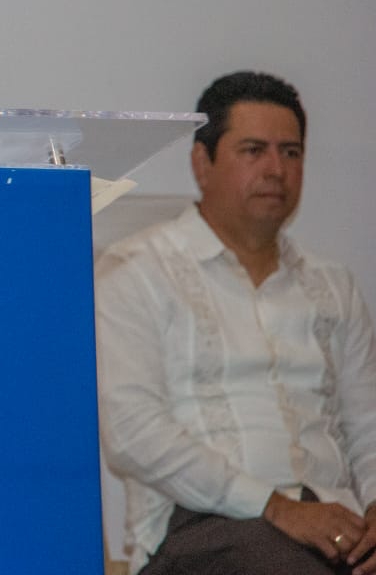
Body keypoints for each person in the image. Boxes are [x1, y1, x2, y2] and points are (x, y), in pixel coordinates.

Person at [97, 71, 376, 575]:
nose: (276, 169)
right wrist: (275, 506)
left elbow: (367, 423)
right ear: (201, 163)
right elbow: (133, 434)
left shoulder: (333, 285)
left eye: (291, 152)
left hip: (335, 519)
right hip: (202, 525)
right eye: (253, 151)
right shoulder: (136, 272)